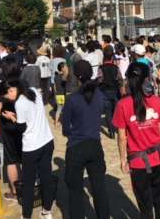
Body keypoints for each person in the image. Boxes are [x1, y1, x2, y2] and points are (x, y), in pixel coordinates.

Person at [113, 62, 160, 219]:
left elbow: (122, 137)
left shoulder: (122, 104)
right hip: (157, 157)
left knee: (144, 204)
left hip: (137, 162)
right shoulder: (156, 100)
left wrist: (123, 159)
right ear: (146, 79)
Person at [0, 80, 55, 219]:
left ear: (12, 90)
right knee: (46, 178)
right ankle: (47, 211)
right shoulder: (34, 92)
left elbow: (22, 128)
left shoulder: (19, 103)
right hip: (47, 141)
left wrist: (12, 118)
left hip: (32, 147)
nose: (8, 98)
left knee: (28, 184)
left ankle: (26, 216)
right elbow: (31, 117)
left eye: (7, 95)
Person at [62, 60, 110, 219]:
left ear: (76, 76)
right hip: (95, 145)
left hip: (76, 147)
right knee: (99, 188)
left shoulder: (72, 99)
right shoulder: (99, 95)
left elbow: (66, 129)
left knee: (75, 191)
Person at [0, 61, 23, 200]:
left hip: (8, 125)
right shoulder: (23, 84)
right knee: (26, 156)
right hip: (23, 123)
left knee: (11, 159)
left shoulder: (1, 87)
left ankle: (15, 191)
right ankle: (28, 186)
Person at [98, 46, 121, 139]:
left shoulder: (101, 68)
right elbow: (119, 79)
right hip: (115, 91)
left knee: (108, 112)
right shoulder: (116, 68)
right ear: (112, 57)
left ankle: (111, 131)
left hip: (105, 91)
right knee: (116, 111)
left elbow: (100, 80)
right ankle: (117, 128)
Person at [53, 62, 68, 127]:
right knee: (65, 110)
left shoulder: (56, 77)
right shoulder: (64, 77)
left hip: (58, 95)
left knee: (59, 109)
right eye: (65, 66)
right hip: (63, 95)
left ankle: (56, 122)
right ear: (62, 68)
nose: (66, 67)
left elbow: (54, 87)